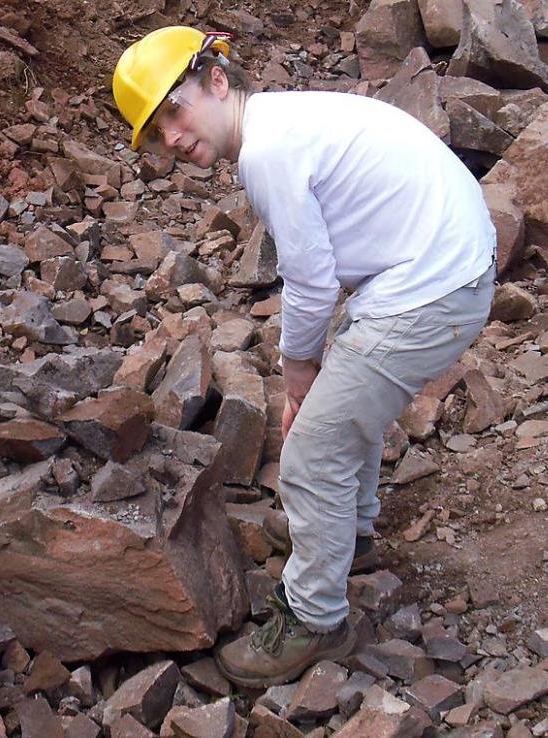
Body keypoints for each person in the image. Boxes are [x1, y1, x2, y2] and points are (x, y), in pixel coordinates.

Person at [112, 26, 496, 688]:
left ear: (217, 83)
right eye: (155, 133)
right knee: (343, 407)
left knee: (312, 450)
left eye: (173, 111)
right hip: (442, 267)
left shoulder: (267, 151)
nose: (171, 138)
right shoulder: (280, 122)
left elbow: (313, 282)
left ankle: (315, 619)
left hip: (434, 283)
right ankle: (351, 537)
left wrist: (297, 380)